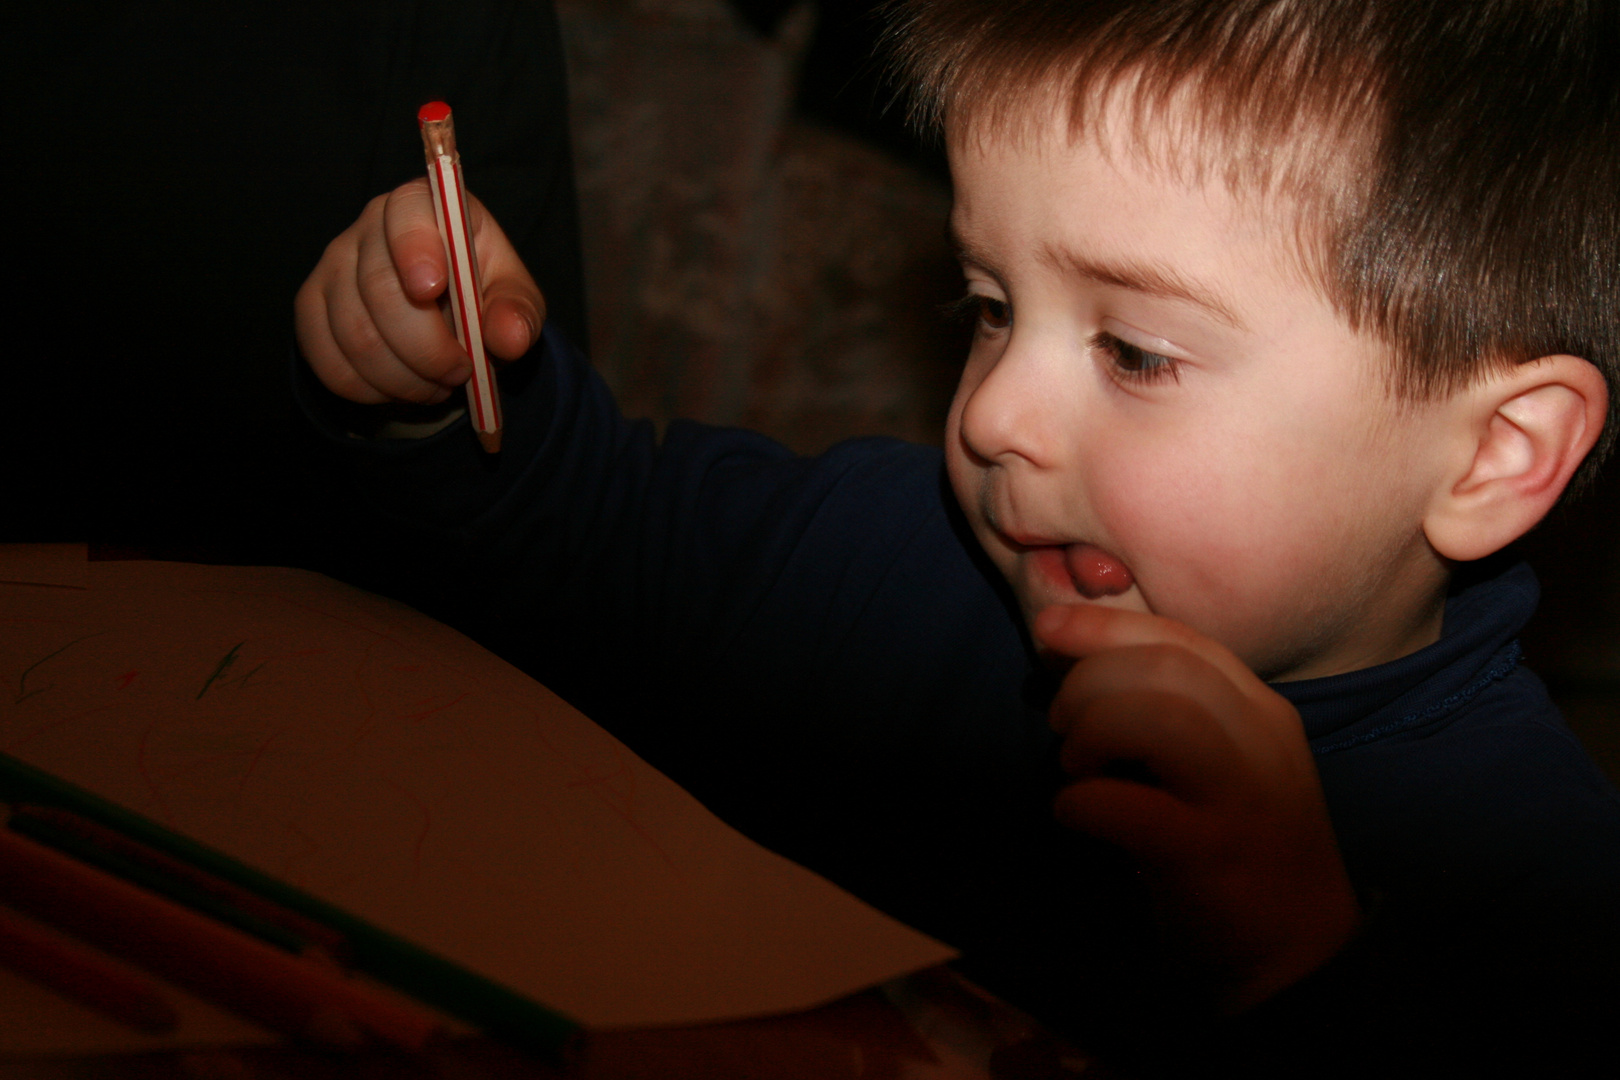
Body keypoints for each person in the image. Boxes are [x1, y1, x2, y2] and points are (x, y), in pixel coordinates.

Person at [293, 0, 1620, 1073]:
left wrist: (1297, 975)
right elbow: (587, 542)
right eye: (990, 304)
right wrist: (447, 389)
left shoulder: (1536, 885)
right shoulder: (889, 554)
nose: (991, 413)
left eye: (1135, 350)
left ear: (1496, 455)